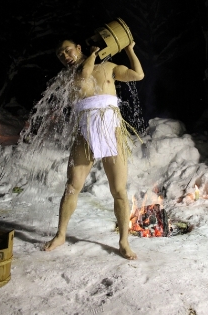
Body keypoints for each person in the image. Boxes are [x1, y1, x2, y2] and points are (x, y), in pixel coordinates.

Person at [43, 37, 144, 259]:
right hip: (85, 131)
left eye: (67, 51)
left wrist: (129, 50)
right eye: (61, 56)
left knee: (119, 190)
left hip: (111, 129)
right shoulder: (67, 77)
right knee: (72, 186)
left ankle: (124, 242)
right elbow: (83, 75)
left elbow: (138, 75)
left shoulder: (107, 67)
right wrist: (92, 55)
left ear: (78, 48)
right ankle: (61, 234)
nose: (65, 57)